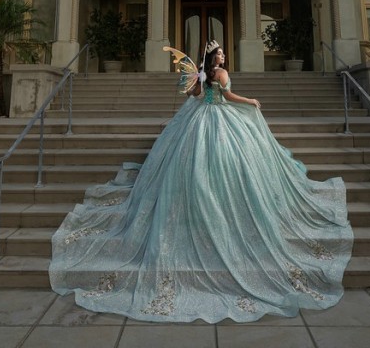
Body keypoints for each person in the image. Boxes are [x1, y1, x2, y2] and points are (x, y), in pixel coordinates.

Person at [49, 41, 353, 323]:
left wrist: (192, 82)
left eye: (221, 54)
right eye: (219, 54)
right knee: (220, 164)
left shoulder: (204, 75)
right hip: (218, 119)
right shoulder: (218, 74)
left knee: (194, 164)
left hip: (201, 119)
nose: (222, 57)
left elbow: (193, 96)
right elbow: (229, 97)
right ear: (213, 58)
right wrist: (250, 100)